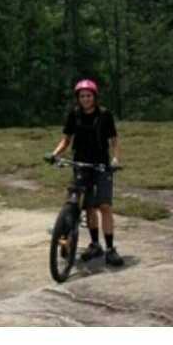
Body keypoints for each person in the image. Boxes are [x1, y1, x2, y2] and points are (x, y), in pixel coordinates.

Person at [47, 78, 124, 267]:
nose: (85, 99)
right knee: (89, 207)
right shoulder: (74, 114)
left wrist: (115, 159)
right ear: (78, 98)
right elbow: (66, 140)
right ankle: (95, 244)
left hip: (102, 166)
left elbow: (114, 141)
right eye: (82, 96)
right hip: (80, 164)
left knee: (104, 206)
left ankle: (110, 249)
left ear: (94, 97)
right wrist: (54, 154)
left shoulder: (105, 115)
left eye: (89, 96)